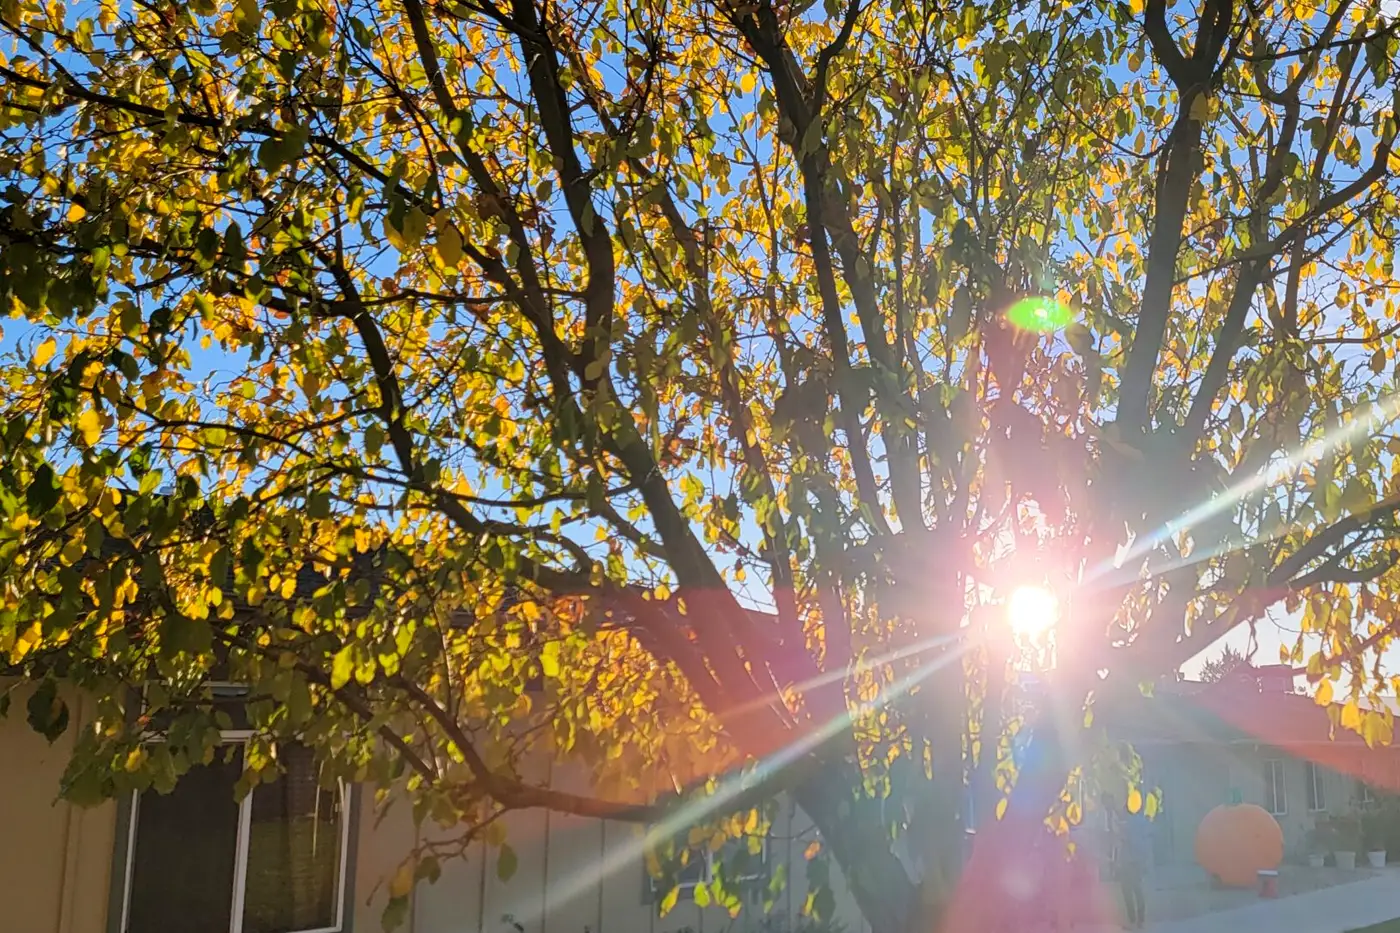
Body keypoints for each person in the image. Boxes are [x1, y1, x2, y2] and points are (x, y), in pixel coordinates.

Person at [1102, 793, 1148, 930]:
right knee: (1129, 890)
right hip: (1128, 860)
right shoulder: (1131, 820)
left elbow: (1135, 840)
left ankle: (1137, 919)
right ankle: (1135, 919)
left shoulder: (1135, 821)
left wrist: (1124, 836)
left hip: (1132, 860)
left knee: (1133, 889)